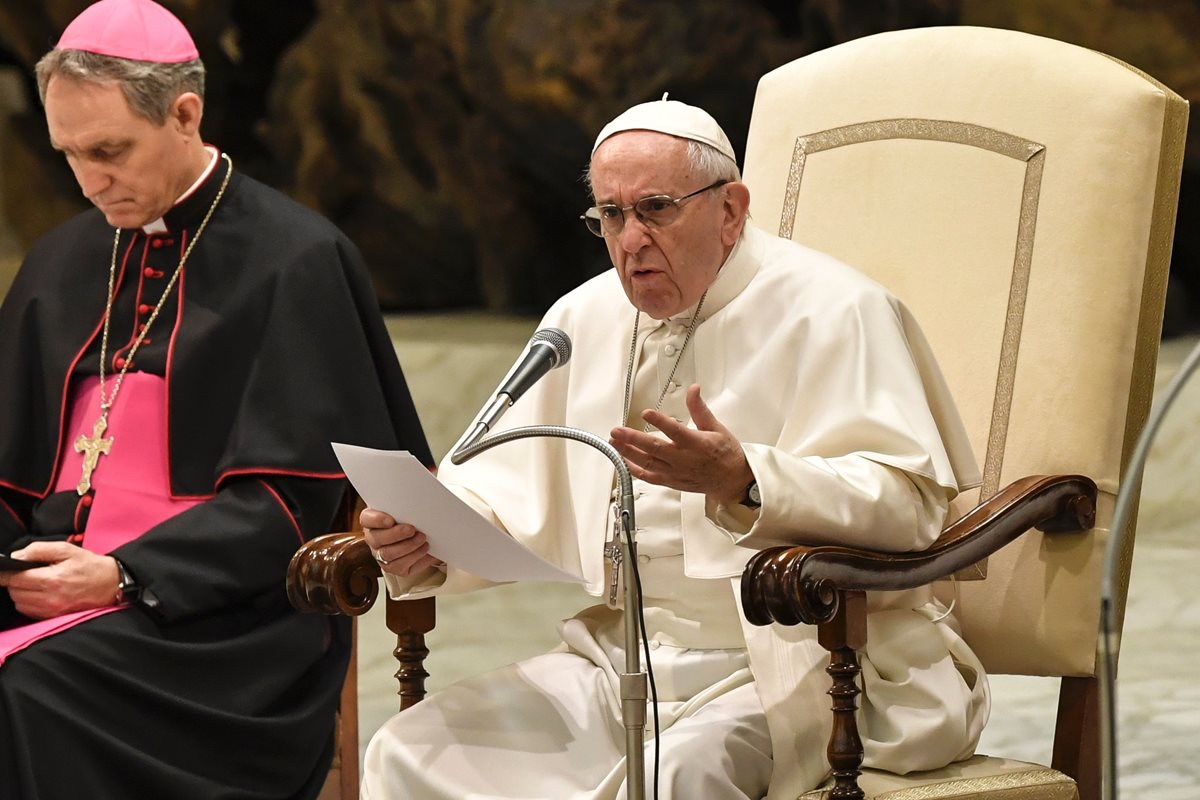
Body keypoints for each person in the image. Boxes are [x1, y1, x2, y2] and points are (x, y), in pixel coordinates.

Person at [359, 97, 989, 800]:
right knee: (410, 752)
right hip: (622, 657)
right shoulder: (581, 317)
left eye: (655, 209)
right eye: (611, 214)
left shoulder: (837, 308)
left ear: (730, 210)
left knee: (675, 780)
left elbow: (908, 506)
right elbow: (504, 492)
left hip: (798, 661)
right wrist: (425, 536)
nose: (631, 240)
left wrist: (746, 480)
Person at [0, 1, 432, 797]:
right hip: (48, 597)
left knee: (32, 689)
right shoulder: (59, 263)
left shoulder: (296, 260)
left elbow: (292, 504)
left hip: (222, 629)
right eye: (70, 155)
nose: (89, 182)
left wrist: (123, 575)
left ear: (184, 114)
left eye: (109, 151)